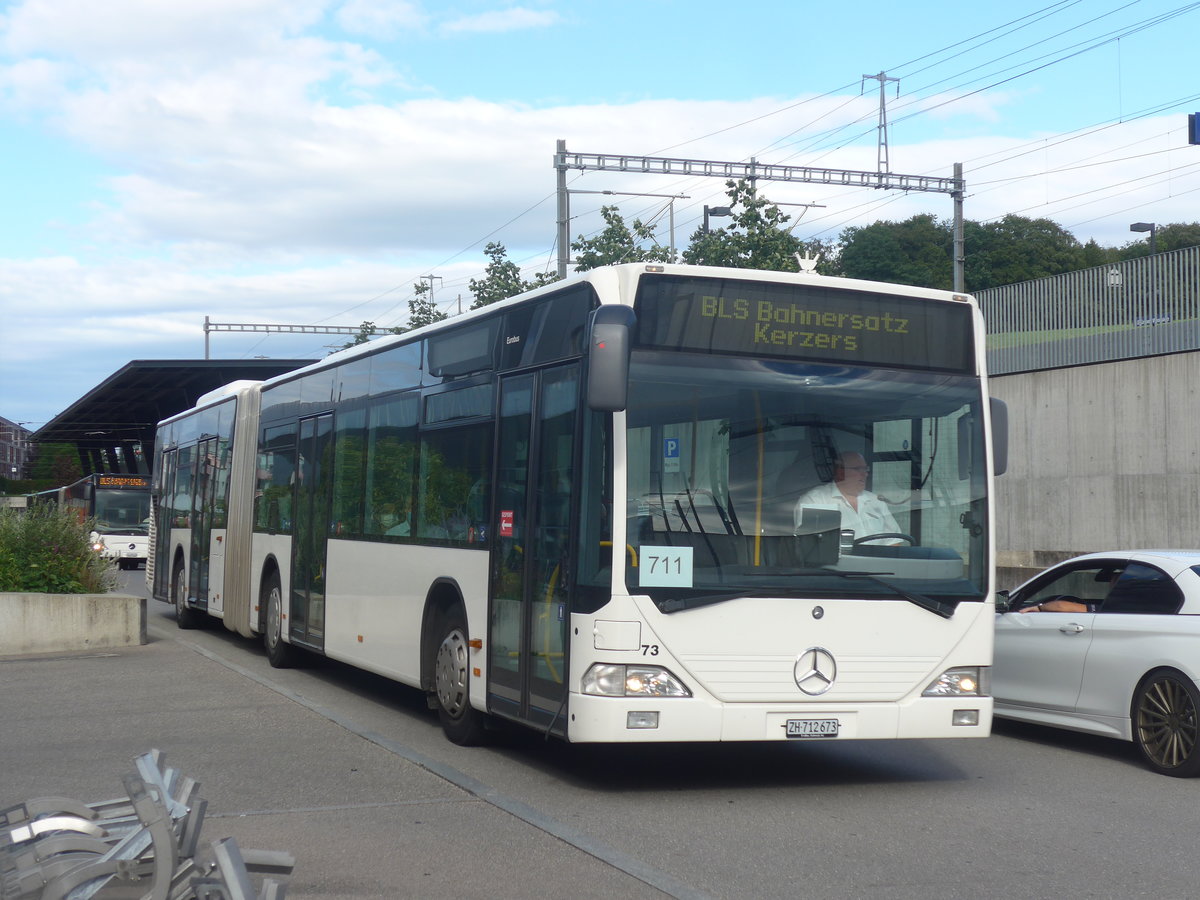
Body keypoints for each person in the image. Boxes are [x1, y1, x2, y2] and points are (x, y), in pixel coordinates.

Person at [794, 451, 902, 546]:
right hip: (838, 568)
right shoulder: (815, 500)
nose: (865, 474)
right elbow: (809, 546)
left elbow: (894, 541)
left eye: (865, 469)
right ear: (841, 472)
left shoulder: (876, 501)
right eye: (858, 469)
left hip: (879, 567)